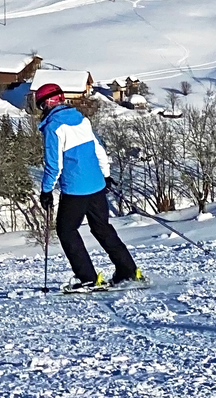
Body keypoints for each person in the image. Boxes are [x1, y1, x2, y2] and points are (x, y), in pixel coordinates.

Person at [36, 83, 142, 292]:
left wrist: (46, 190)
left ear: (47, 103)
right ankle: (128, 270)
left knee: (66, 230)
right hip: (96, 184)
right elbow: (99, 148)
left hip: (76, 188)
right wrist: (106, 174)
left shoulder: (53, 127)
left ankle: (88, 278)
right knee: (102, 227)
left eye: (41, 105)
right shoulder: (82, 120)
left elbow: (54, 164)